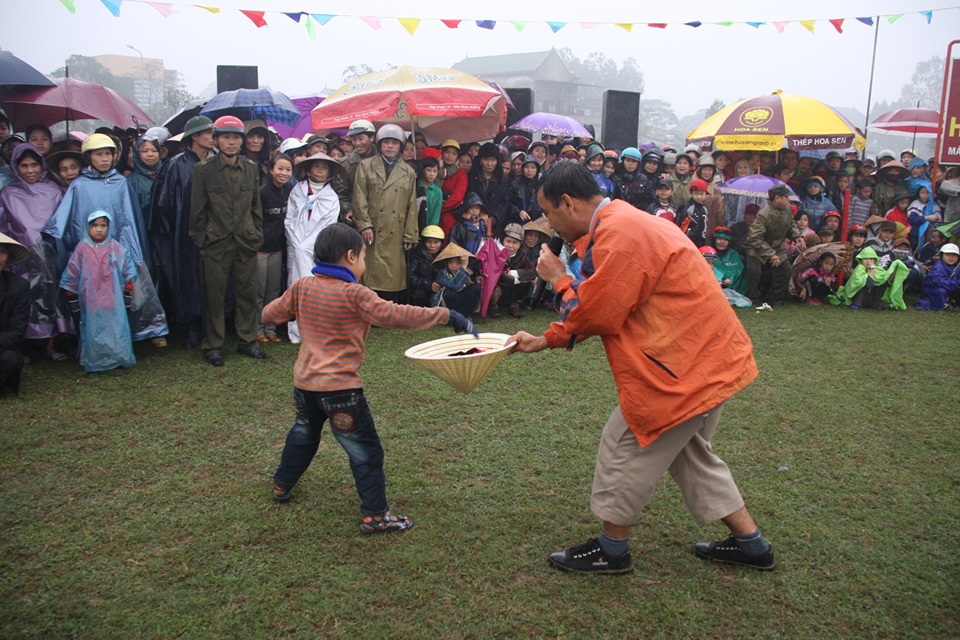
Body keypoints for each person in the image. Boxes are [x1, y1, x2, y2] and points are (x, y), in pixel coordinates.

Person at [507, 162, 774, 574]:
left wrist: (559, 278)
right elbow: (607, 301)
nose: (550, 224)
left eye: (550, 213)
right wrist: (544, 339)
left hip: (678, 372)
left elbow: (596, 313)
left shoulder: (621, 233)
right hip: (704, 361)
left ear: (568, 202)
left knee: (624, 446)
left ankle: (611, 550)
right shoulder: (624, 222)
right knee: (690, 454)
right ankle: (751, 544)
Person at [263, 223, 476, 533]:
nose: (364, 263)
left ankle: (282, 485)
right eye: (364, 257)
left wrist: (296, 309)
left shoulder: (302, 287)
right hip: (341, 392)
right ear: (351, 256)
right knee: (366, 450)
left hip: (305, 385)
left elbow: (269, 315)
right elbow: (397, 315)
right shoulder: (357, 295)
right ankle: (376, 516)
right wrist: (446, 315)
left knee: (304, 433)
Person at [47, 133, 169, 347]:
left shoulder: (121, 183)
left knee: (127, 288)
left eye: (108, 154)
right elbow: (69, 220)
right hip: (91, 250)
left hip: (120, 248)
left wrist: (132, 247)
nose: (104, 159)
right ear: (89, 157)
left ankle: (138, 330)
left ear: (114, 156)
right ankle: (98, 338)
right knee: (96, 293)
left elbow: (129, 219)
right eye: (99, 154)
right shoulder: (79, 186)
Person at [190, 115, 266, 366]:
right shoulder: (204, 170)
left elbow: (256, 208)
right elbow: (197, 212)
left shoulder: (251, 169)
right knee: (214, 297)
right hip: (216, 244)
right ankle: (213, 345)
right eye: (225, 137)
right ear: (216, 140)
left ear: (242, 141)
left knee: (247, 294)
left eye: (235, 138)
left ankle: (248, 341)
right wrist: (204, 240)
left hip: (245, 242)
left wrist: (256, 235)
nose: (231, 143)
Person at [150, 115, 214, 348]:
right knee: (187, 278)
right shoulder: (175, 165)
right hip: (183, 234)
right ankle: (190, 326)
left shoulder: (215, 162)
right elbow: (163, 203)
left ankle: (212, 326)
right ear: (195, 137)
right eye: (207, 133)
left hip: (213, 233)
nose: (212, 137)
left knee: (212, 279)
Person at [0, 144, 66, 362]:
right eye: (24, 165)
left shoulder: (54, 191)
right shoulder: (8, 194)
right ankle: (24, 347)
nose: (30, 170)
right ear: (15, 167)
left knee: (52, 297)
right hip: (22, 257)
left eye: (34, 165)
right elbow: (3, 227)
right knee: (26, 300)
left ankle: (51, 345)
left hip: (51, 255)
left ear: (42, 165)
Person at [59, 211, 136, 373]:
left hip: (112, 298)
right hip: (91, 299)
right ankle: (93, 358)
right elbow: (72, 272)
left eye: (103, 225)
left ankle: (118, 356)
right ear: (88, 227)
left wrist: (128, 290)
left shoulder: (114, 247)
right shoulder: (82, 248)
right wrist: (72, 296)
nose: (99, 230)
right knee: (92, 328)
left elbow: (128, 268)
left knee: (115, 327)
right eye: (95, 225)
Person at [352, 124, 419, 302]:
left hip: (395, 229)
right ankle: (367, 308)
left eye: (395, 143)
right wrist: (364, 224)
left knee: (393, 272)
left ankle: (389, 309)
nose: (390, 146)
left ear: (401, 146)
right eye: (386, 142)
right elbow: (359, 198)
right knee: (369, 271)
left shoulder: (409, 172)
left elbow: (411, 206)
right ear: (380, 144)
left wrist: (410, 234)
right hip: (373, 228)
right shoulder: (365, 166)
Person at [285, 152, 343, 343]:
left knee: (319, 290)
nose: (319, 170)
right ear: (308, 169)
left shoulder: (331, 198)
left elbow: (328, 226)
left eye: (324, 167)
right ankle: (296, 332)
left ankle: (318, 330)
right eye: (316, 166)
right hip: (296, 244)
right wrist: (298, 243)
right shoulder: (297, 191)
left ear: (330, 172)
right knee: (295, 286)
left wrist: (309, 245)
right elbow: (289, 220)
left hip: (317, 249)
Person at [743, 185, 806, 306]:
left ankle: (774, 299)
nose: (788, 199)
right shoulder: (763, 214)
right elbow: (754, 238)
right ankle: (753, 297)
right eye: (786, 197)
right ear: (777, 198)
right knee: (754, 271)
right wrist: (770, 254)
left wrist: (797, 236)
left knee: (786, 271)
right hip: (756, 248)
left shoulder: (787, 208)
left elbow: (791, 224)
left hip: (777, 246)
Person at [257, 153, 293, 344]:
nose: (284, 173)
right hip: (260, 249)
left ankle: (270, 328)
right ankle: (257, 328)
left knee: (273, 291)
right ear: (270, 170)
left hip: (278, 248)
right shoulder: (262, 192)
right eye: (280, 168)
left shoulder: (290, 191)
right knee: (259, 291)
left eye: (288, 169)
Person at [832, 246, 909, 310]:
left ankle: (875, 304)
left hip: (869, 296)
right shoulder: (859, 269)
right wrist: (872, 269)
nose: (868, 261)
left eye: (871, 259)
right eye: (865, 259)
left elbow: (887, 283)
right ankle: (857, 304)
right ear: (861, 260)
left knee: (881, 284)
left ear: (875, 260)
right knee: (863, 285)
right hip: (857, 297)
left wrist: (894, 270)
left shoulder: (878, 270)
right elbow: (868, 283)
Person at [0, 233, 30, 395]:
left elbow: (17, 332)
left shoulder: (19, 287)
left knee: (10, 359)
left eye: (2, 251)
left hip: (2, 348)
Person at [492, 222, 535, 318]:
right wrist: (514, 279)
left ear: (520, 244)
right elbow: (496, 275)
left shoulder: (522, 254)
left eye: (514, 243)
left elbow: (532, 272)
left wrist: (512, 273)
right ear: (503, 241)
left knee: (529, 281)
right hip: (499, 287)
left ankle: (514, 305)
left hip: (512, 289)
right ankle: (494, 307)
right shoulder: (496, 253)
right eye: (508, 241)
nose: (510, 246)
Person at [431, 241, 481, 318]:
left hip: (462, 301)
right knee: (448, 293)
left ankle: (466, 315)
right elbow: (456, 286)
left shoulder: (468, 271)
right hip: (449, 303)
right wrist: (463, 267)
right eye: (450, 262)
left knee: (476, 288)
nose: (453, 266)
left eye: (458, 263)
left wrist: (476, 280)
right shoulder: (442, 273)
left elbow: (470, 284)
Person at [406, 225, 445, 307]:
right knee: (419, 294)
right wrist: (429, 285)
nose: (432, 246)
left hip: (441, 290)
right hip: (422, 289)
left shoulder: (445, 255)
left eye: (436, 242)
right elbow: (411, 277)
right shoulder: (416, 254)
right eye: (429, 242)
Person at [915, 243, 960, 310]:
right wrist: (957, 283)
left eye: (954, 255)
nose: (951, 257)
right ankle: (945, 304)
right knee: (941, 291)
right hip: (933, 291)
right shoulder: (937, 268)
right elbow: (941, 282)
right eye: (948, 255)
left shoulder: (957, 266)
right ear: (942, 255)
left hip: (949, 288)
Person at [438, 139, 466, 238]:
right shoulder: (434, 169)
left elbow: (457, 197)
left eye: (454, 154)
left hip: (448, 215)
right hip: (431, 212)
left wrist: (439, 209)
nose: (450, 156)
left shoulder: (460, 173)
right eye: (447, 152)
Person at [507, 155, 542, 228]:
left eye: (533, 167)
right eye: (527, 167)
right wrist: (519, 212)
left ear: (537, 169)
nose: (529, 170)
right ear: (522, 169)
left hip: (538, 221)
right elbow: (509, 203)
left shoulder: (541, 184)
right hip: (519, 221)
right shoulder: (515, 184)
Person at [712, 226, 748, 296]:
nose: (722, 242)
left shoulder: (734, 255)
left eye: (725, 240)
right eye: (719, 239)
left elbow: (738, 270)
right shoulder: (708, 252)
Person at [676, 179, 710, 247]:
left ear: (706, 194)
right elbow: (679, 223)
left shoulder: (705, 208)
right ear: (691, 193)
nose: (699, 196)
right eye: (696, 194)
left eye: (701, 194)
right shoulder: (687, 207)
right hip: (688, 240)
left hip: (702, 240)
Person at [416, 151, 442, 232]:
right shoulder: (416, 186)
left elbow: (436, 214)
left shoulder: (437, 191)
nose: (432, 174)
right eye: (428, 170)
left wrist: (431, 230)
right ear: (423, 170)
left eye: (435, 171)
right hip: (414, 226)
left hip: (428, 229)